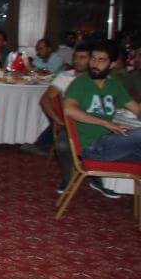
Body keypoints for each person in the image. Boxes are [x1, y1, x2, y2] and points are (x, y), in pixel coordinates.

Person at [63, 40, 141, 197]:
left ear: (112, 64)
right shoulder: (80, 83)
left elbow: (137, 109)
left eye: (101, 60)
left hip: (113, 146)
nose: (95, 64)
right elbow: (69, 109)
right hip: (92, 148)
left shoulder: (114, 86)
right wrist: (104, 122)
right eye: (93, 59)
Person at [31, 45, 90, 190]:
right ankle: (67, 175)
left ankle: (99, 175)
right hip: (71, 123)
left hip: (95, 122)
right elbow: (45, 99)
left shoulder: (98, 78)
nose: (77, 60)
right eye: (75, 57)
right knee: (62, 145)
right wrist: (57, 120)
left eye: (82, 57)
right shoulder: (66, 77)